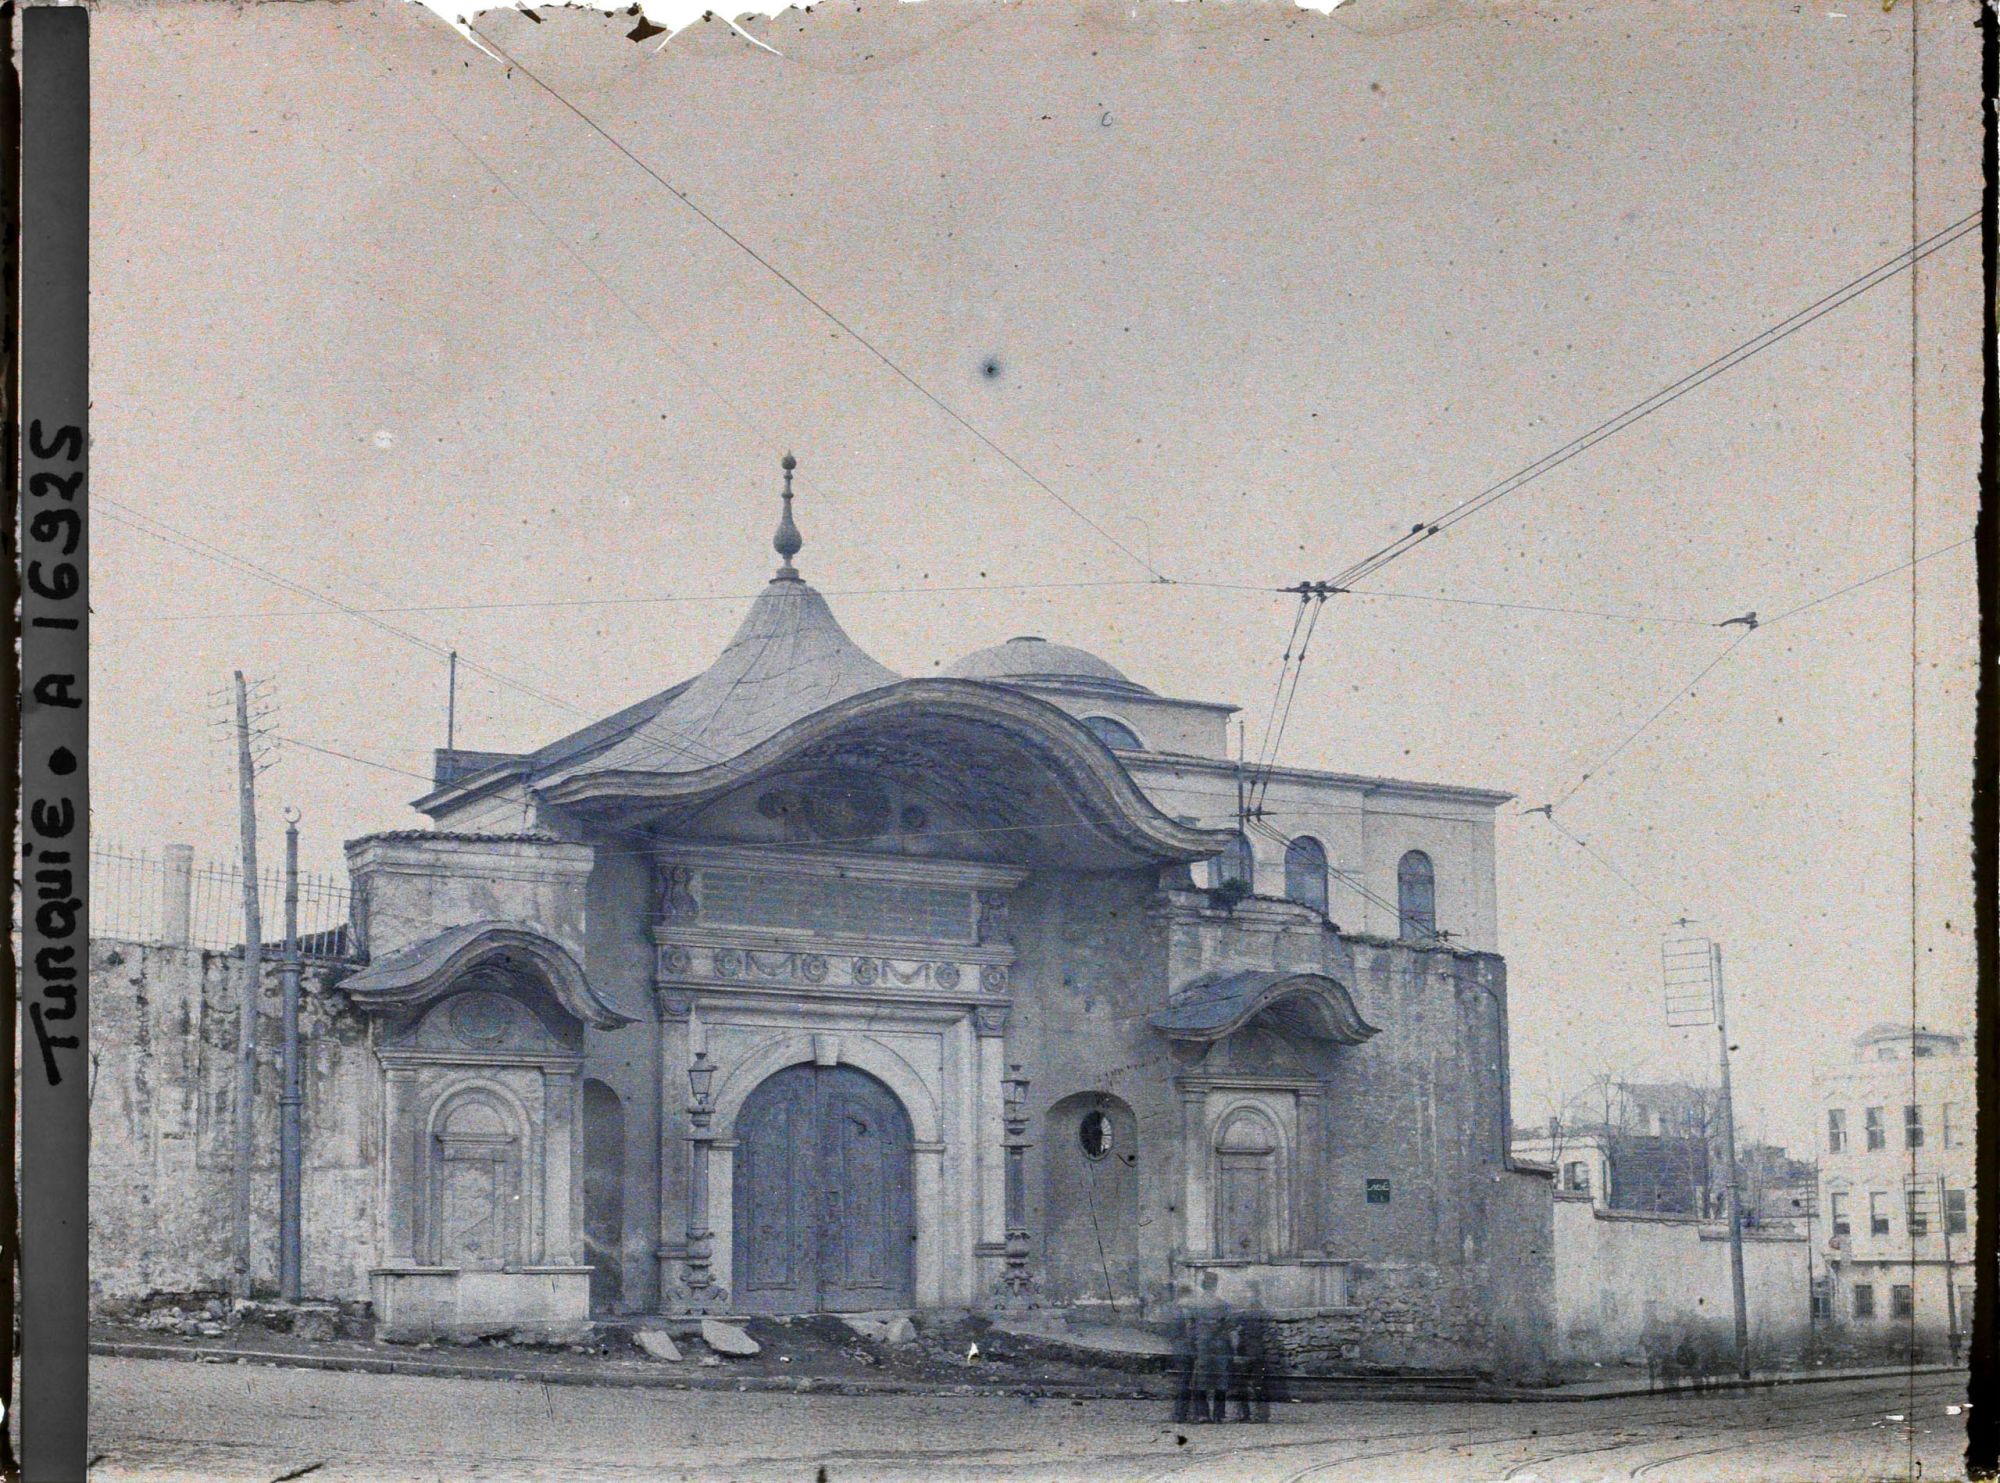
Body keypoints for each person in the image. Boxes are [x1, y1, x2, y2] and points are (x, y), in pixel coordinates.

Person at [1188, 1269, 1233, 1423]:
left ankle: (1203, 1414)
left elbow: (1190, 1329)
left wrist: (1193, 1345)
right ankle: (1219, 1415)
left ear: (1202, 1286)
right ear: (1215, 1286)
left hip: (1203, 1346)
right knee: (1220, 1381)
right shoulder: (1223, 1305)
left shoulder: (1195, 1305)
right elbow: (1229, 1329)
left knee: (1201, 1380)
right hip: (1220, 1347)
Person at [1231, 1280, 1275, 1422]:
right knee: (1257, 1384)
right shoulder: (1260, 1310)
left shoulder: (1250, 1311)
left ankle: (1247, 1415)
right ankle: (1260, 1415)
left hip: (1249, 1351)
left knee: (1245, 1384)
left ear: (1253, 1293)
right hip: (1256, 1350)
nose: (1244, 1295)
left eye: (1246, 1292)